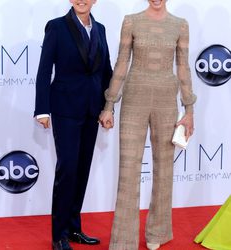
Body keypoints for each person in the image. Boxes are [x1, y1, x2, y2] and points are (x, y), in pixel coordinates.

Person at [99, 0, 196, 249]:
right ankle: (123, 240)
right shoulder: (131, 21)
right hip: (134, 99)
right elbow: (122, 63)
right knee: (128, 170)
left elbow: (183, 67)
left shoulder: (180, 25)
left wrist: (189, 110)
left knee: (164, 169)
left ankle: (158, 233)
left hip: (166, 101)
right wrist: (110, 104)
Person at [34, 0, 112, 249]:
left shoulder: (100, 29)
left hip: (92, 110)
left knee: (81, 171)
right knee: (67, 170)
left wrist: (108, 107)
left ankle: (74, 229)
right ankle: (59, 235)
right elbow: (45, 70)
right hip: (65, 109)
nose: (82, 0)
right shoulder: (56, 27)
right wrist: (42, 110)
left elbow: (106, 71)